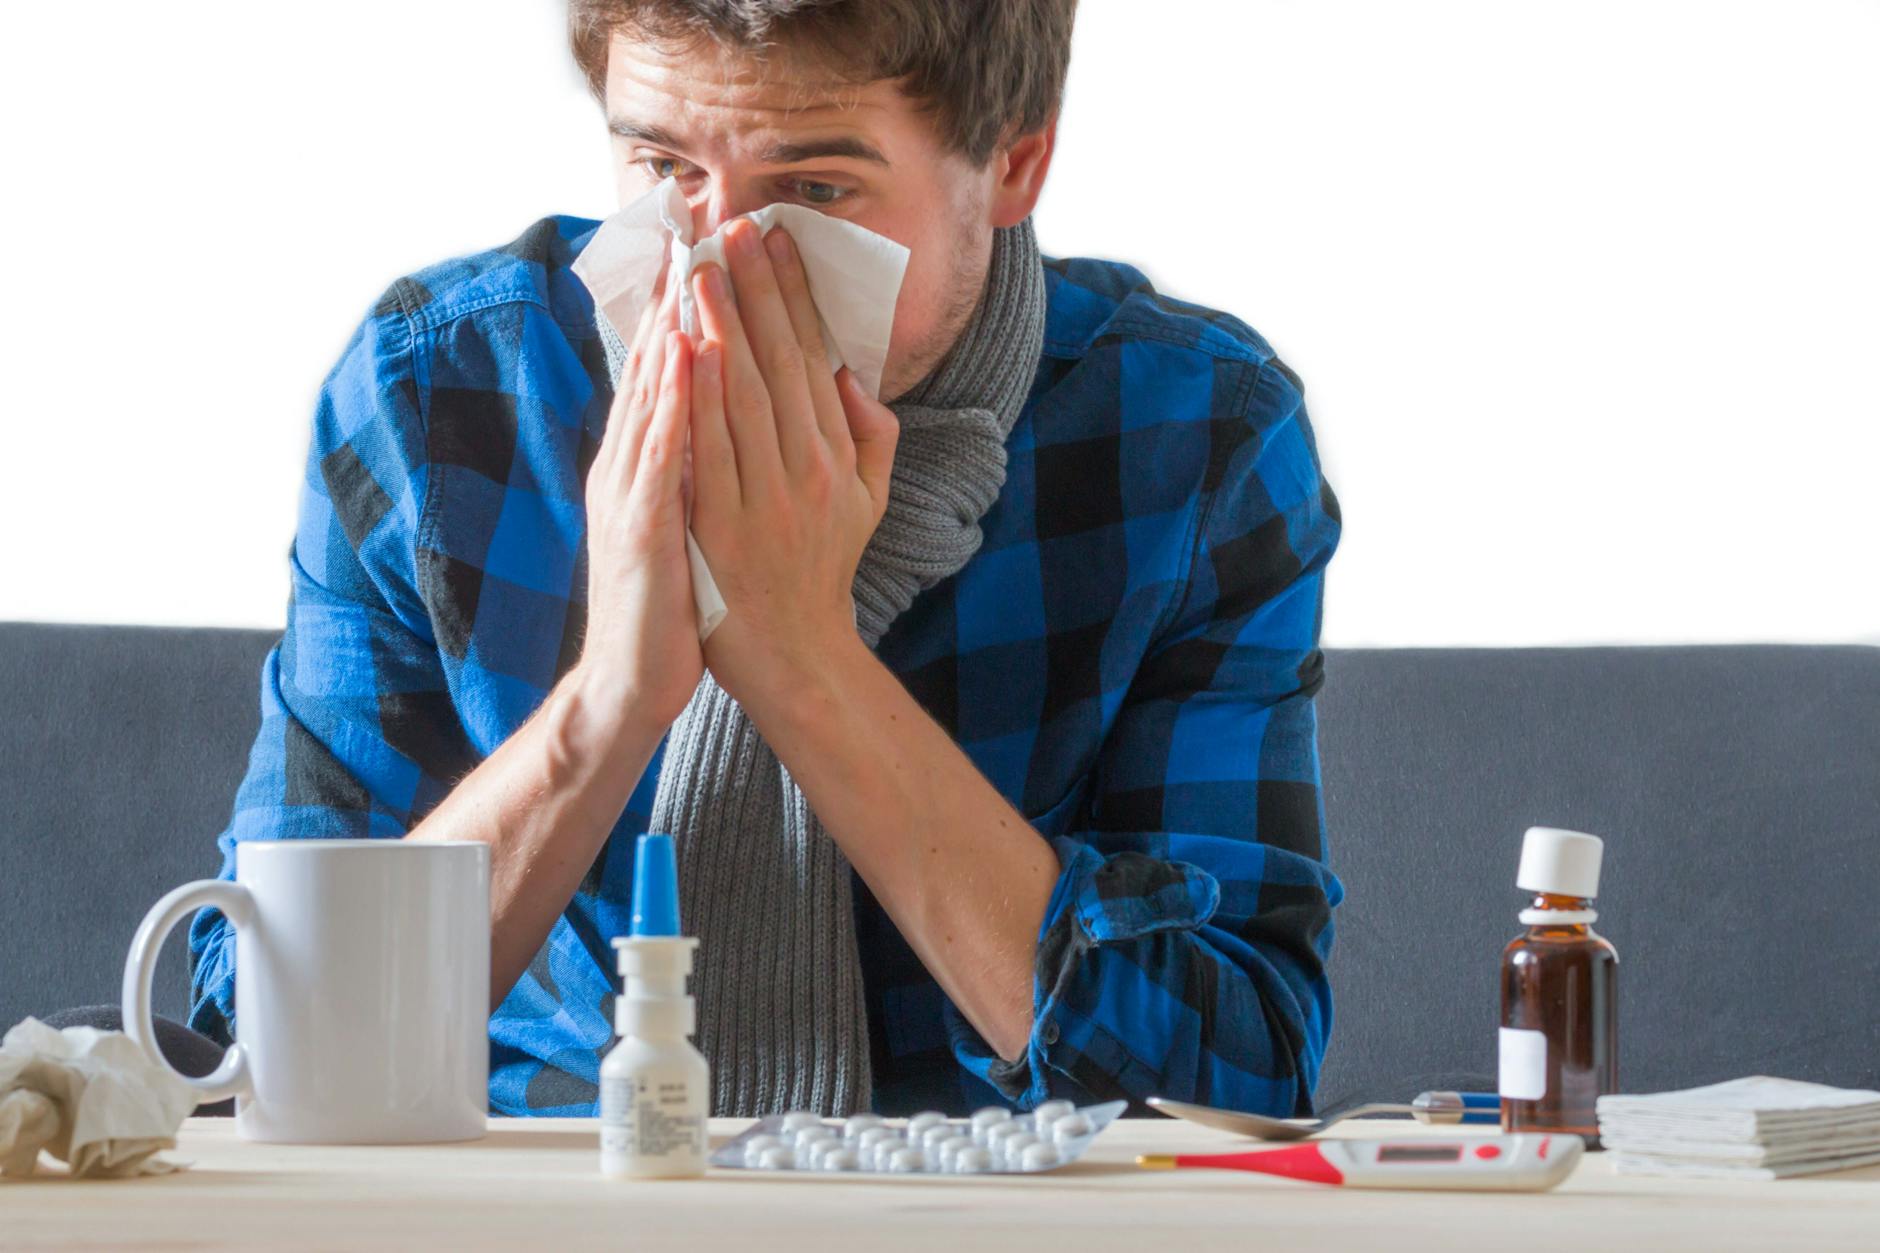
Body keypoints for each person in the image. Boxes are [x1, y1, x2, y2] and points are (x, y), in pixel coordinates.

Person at [185, 0, 1345, 1118]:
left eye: (814, 190)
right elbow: (253, 1045)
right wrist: (605, 704)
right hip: (529, 1195)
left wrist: (803, 663)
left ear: (1012, 161)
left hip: (970, 1207)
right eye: (663, 167)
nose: (708, 264)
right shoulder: (434, 397)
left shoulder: (1195, 439)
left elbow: (1234, 1072)